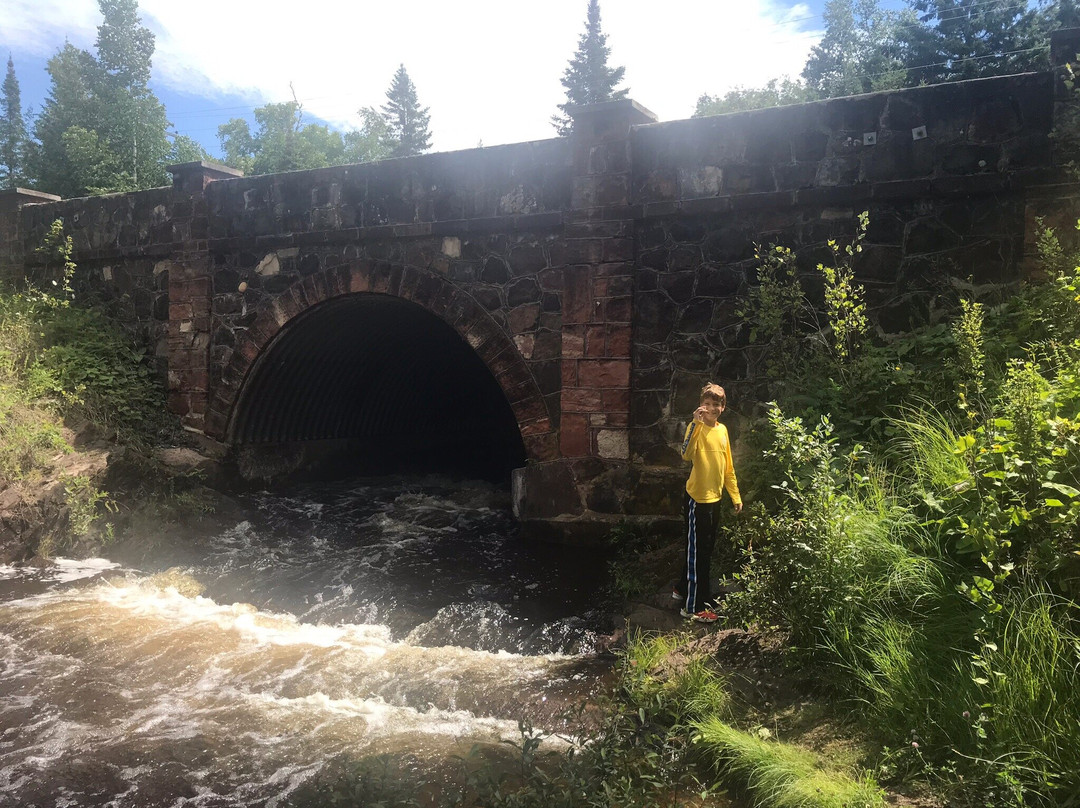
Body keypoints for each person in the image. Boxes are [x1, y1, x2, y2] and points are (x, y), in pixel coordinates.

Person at [673, 382, 742, 623]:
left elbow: (728, 467)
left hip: (715, 498)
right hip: (697, 500)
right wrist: (695, 424)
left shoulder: (722, 431)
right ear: (701, 405)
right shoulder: (697, 428)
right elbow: (686, 454)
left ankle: (682, 587)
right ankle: (691, 607)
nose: (711, 408)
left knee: (704, 550)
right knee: (697, 553)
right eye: (707, 404)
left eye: (716, 405)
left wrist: (735, 495)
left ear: (723, 407)